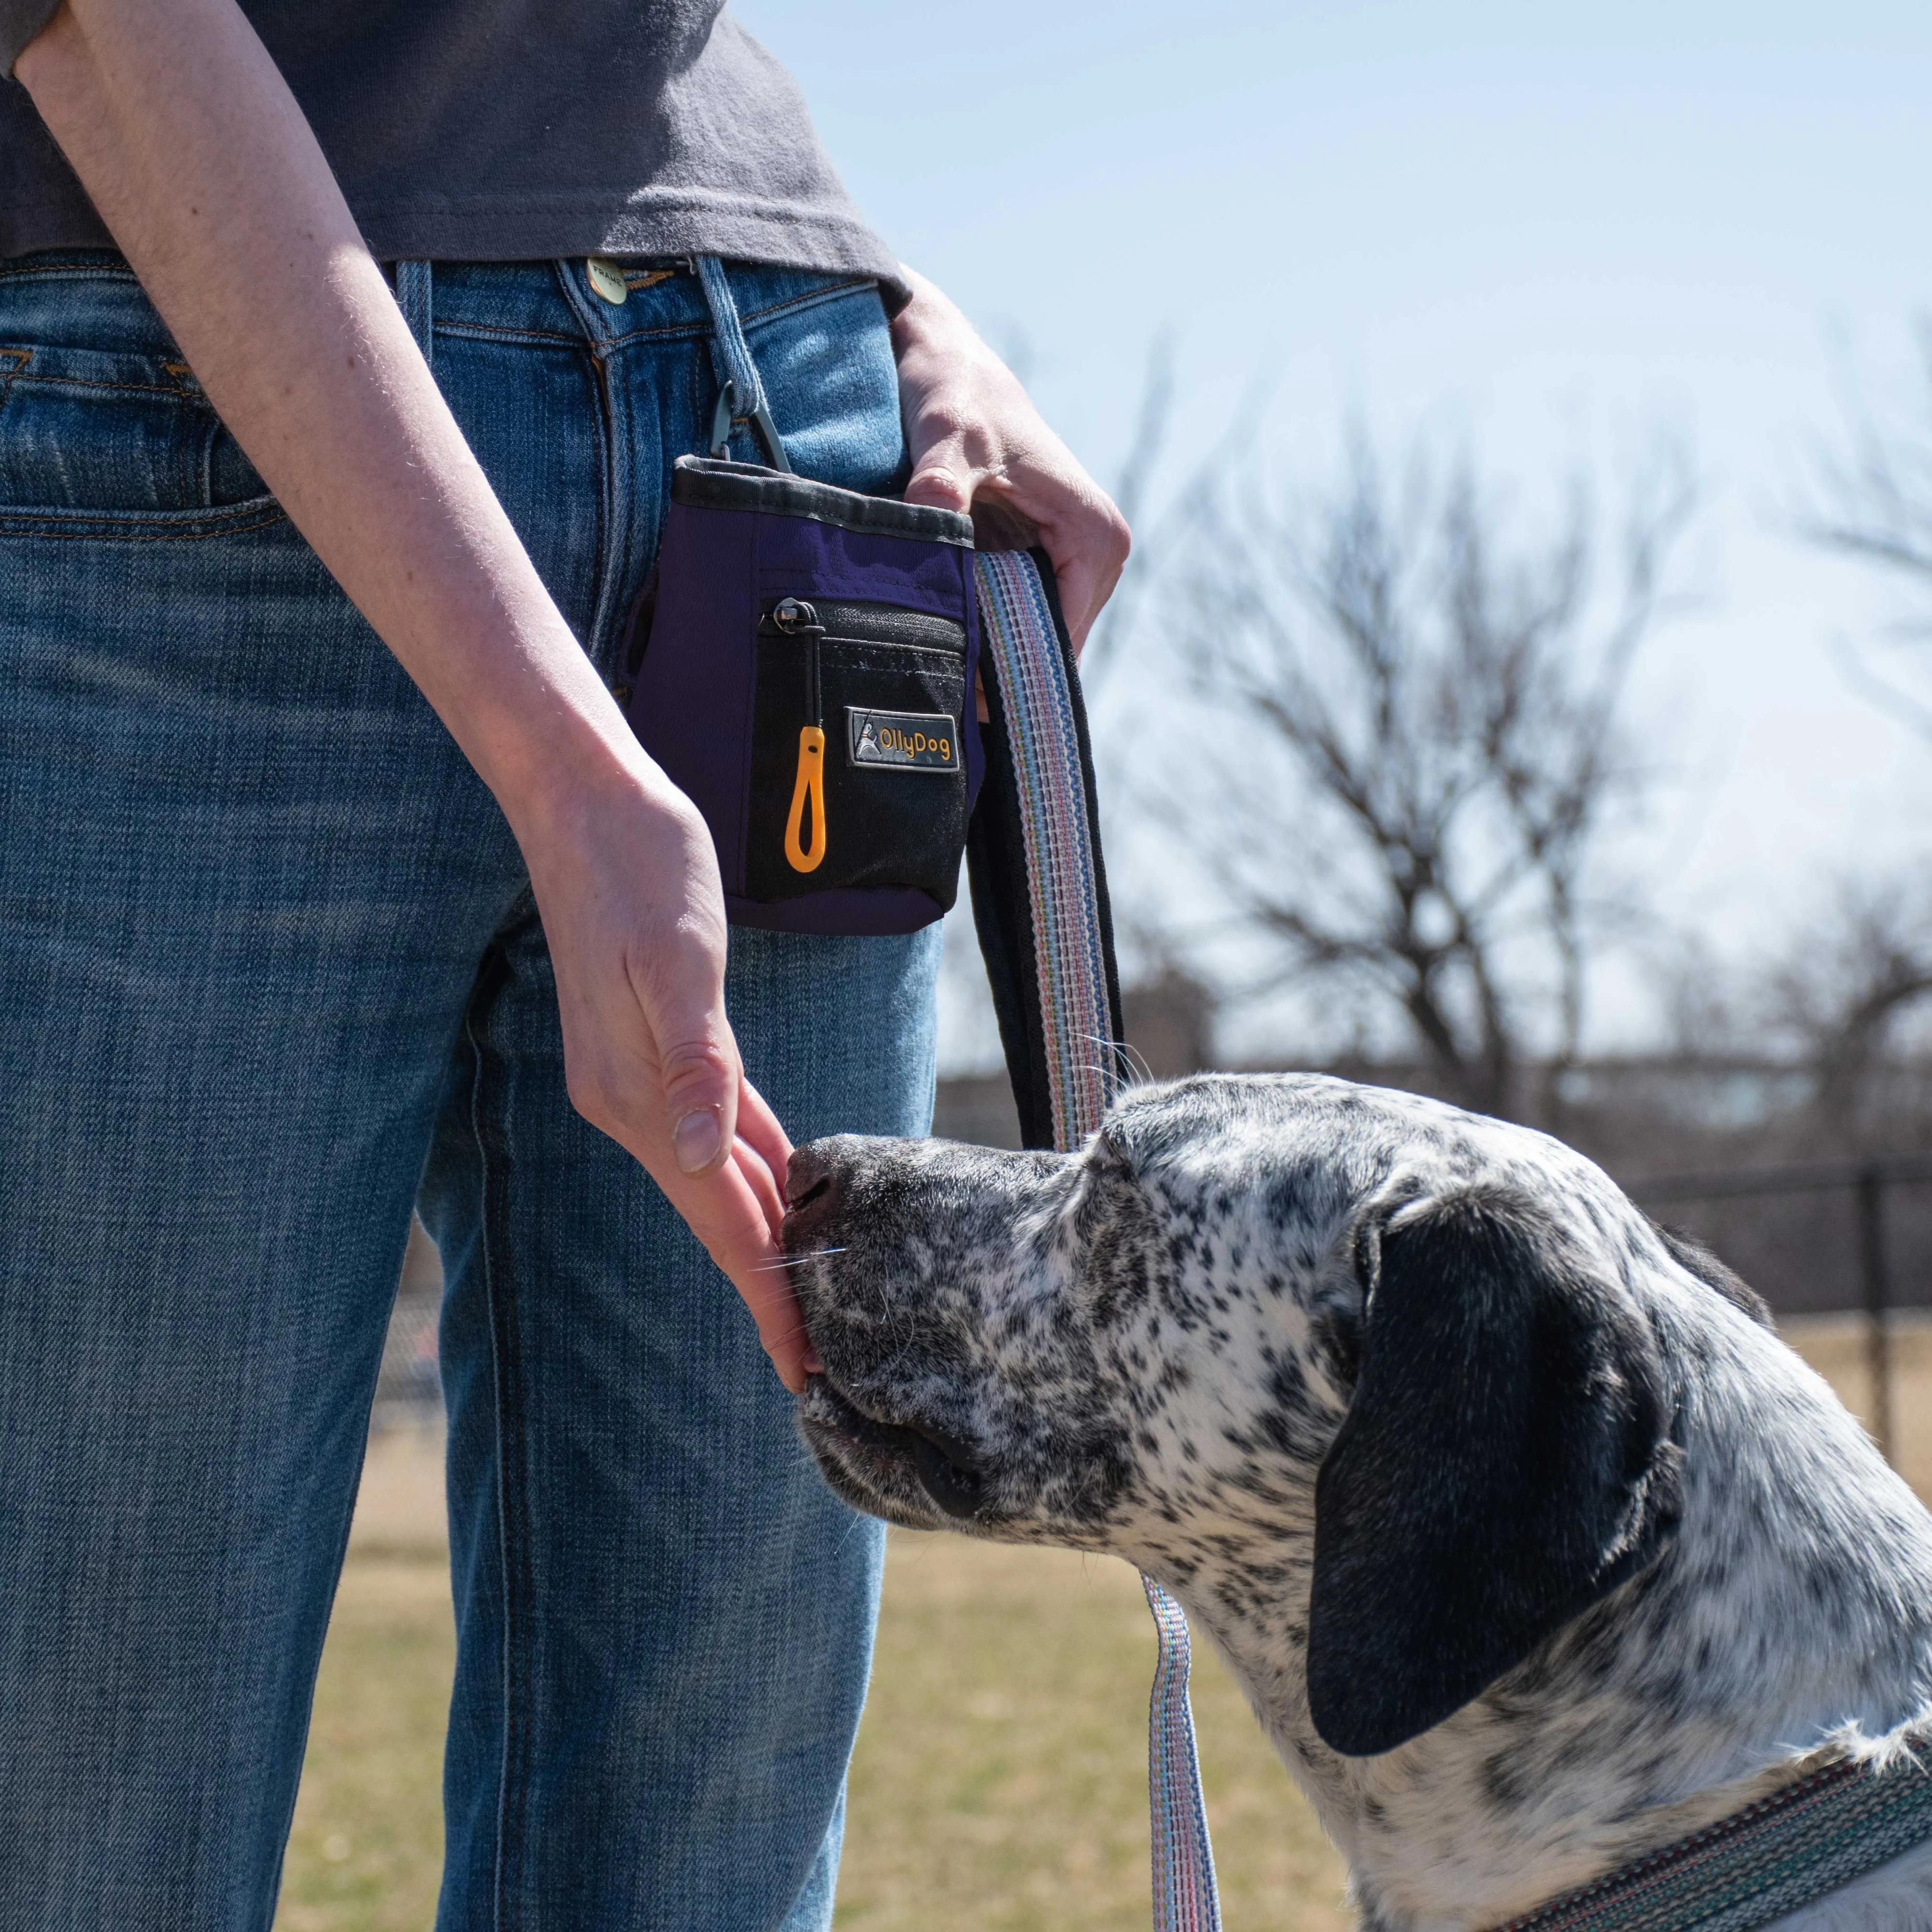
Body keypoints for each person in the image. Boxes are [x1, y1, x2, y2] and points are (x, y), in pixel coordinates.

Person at [0, 2, 1128, 1925]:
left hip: (779, 417)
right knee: (96, 1815)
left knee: (710, 1846)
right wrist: (554, 750)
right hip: (165, 404)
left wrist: (864, 274)